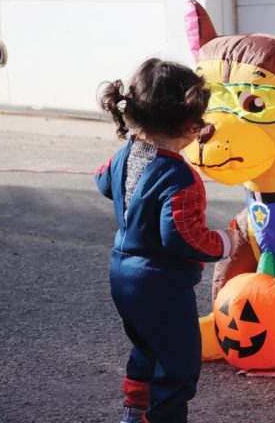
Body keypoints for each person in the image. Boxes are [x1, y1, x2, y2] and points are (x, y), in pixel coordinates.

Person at [94, 58, 234, 423]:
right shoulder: (178, 177)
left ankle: (135, 411)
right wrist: (227, 242)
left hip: (122, 275)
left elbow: (102, 182)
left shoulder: (124, 156)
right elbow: (183, 237)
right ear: (191, 125)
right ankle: (163, 417)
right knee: (180, 360)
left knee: (147, 346)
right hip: (160, 283)